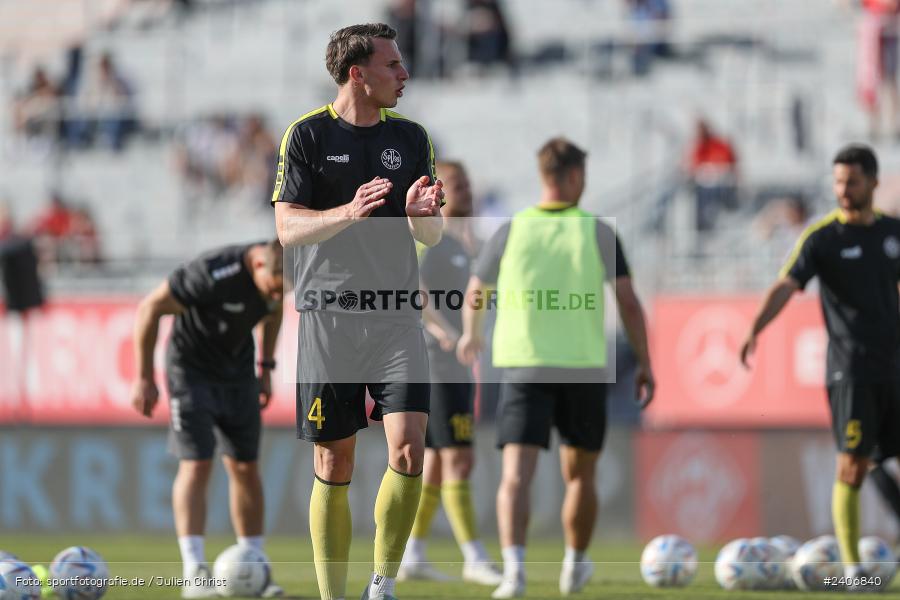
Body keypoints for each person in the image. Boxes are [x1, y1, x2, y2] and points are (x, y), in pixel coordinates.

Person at [271, 23, 443, 600]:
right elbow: (288, 229)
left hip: (396, 314)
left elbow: (434, 234)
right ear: (358, 74)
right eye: (393, 65)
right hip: (329, 315)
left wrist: (422, 214)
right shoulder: (306, 136)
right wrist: (348, 210)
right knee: (333, 459)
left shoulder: (414, 137)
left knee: (409, 447)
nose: (404, 74)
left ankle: (382, 584)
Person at [457, 138, 655, 598]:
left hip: (525, 366)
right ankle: (575, 563)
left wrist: (473, 334)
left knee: (514, 475)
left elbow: (475, 292)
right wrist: (645, 361)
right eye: (582, 176)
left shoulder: (512, 230)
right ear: (570, 177)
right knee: (580, 475)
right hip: (583, 367)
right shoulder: (597, 231)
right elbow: (628, 301)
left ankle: (515, 574)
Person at [740, 144, 900, 591]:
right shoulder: (823, 238)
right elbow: (786, 284)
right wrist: (756, 326)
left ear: (872, 181)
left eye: (851, 182)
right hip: (851, 371)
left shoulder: (894, 233)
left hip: (895, 367)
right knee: (852, 464)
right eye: (837, 182)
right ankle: (853, 571)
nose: (842, 191)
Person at [131, 240, 285, 599]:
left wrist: (266, 367)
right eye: (274, 286)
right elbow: (149, 309)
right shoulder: (212, 272)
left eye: (283, 289)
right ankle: (194, 571)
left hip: (238, 374)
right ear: (259, 265)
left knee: (246, 468)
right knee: (197, 464)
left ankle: (256, 565)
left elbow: (273, 311)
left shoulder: (275, 280)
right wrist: (144, 377)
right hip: (192, 373)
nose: (278, 294)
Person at [396, 160, 502, 586]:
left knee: (439, 463)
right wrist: (443, 333)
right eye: (458, 184)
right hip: (434, 360)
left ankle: (413, 554)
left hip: (458, 360)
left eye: (469, 183)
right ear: (440, 190)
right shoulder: (431, 240)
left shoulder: (472, 245)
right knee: (459, 456)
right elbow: (414, 291)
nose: (467, 192)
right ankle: (474, 556)